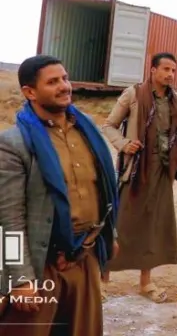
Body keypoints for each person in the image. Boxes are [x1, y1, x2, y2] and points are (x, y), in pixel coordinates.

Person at [0, 55, 119, 336]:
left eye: (64, 78)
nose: (64, 86)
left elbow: (102, 190)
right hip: (42, 265)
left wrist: (110, 235)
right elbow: (8, 218)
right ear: (30, 92)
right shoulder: (14, 144)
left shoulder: (88, 132)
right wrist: (20, 278)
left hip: (85, 257)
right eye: (52, 82)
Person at [100, 52, 177, 303]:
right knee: (120, 225)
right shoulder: (133, 94)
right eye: (166, 69)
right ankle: (103, 282)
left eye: (173, 70)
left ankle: (146, 283)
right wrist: (124, 144)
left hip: (162, 172)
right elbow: (109, 126)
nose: (170, 74)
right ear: (153, 70)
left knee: (153, 228)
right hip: (135, 171)